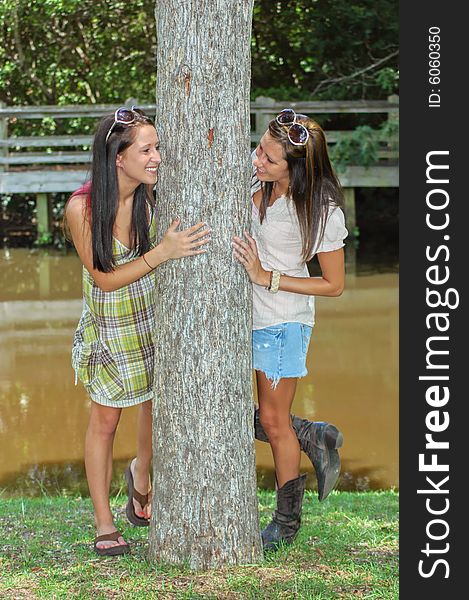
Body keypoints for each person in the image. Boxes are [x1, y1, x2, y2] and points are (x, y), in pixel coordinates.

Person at [65, 107, 210, 556]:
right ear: (117, 157)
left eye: (157, 148)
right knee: (106, 421)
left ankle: (141, 475)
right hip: (110, 326)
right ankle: (104, 523)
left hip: (152, 318)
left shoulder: (152, 196)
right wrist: (162, 253)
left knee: (153, 406)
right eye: (147, 149)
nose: (157, 158)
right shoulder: (82, 207)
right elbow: (105, 279)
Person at [232, 108, 347, 551]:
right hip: (244, 319)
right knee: (241, 413)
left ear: (296, 169)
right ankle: (314, 435)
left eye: (269, 158)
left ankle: (286, 521)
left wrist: (268, 276)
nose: (257, 159)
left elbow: (333, 284)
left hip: (282, 321)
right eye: (260, 147)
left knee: (273, 421)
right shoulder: (254, 179)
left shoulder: (321, 209)